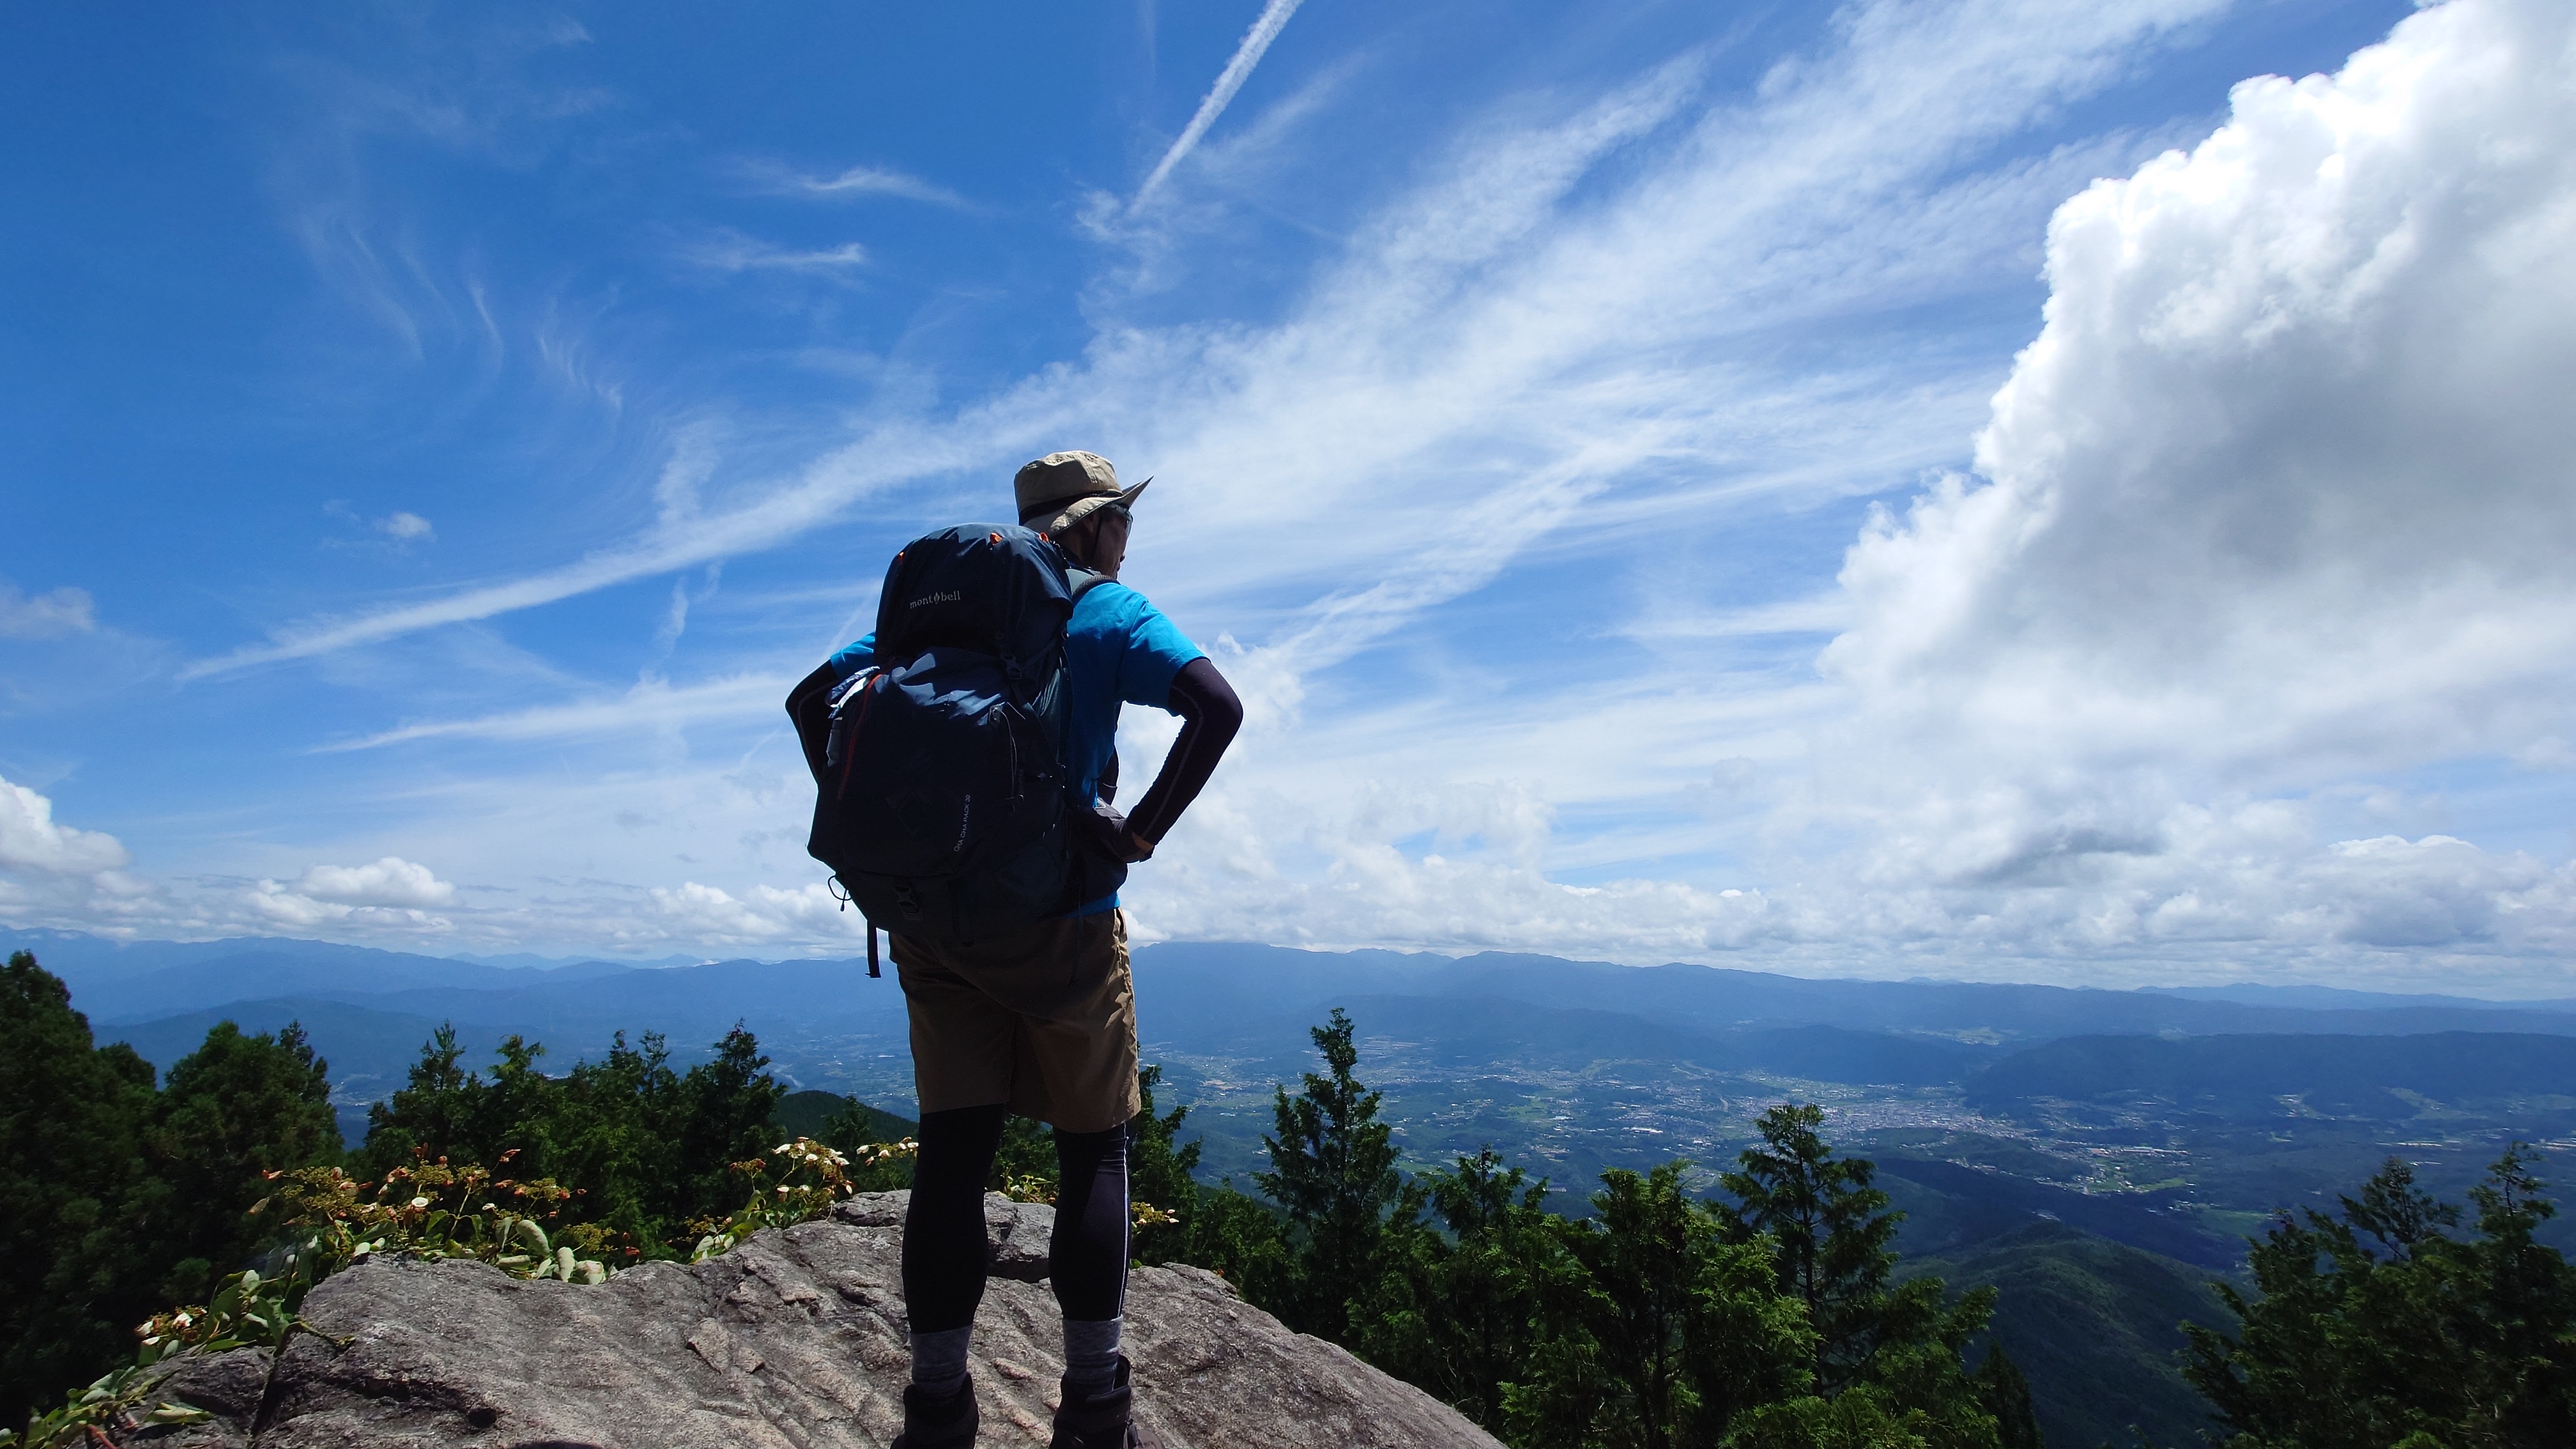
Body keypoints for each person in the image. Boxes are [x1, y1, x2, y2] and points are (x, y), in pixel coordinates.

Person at [824, 451, 1242, 1449]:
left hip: (933, 925)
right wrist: (1138, 833)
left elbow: (816, 700)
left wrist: (884, 833)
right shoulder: (1102, 609)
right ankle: (1094, 1408)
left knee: (952, 1157)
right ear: (1090, 525)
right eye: (1122, 521)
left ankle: (937, 1410)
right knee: (1093, 1150)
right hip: (1064, 924)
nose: (1129, 539)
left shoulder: (940, 617)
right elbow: (1217, 707)